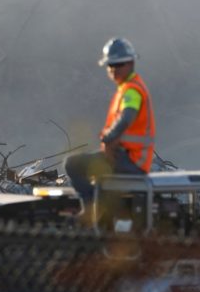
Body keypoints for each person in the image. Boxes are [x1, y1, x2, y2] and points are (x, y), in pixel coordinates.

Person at [64, 37, 156, 212]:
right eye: (110, 66)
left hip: (130, 161)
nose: (113, 70)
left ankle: (93, 208)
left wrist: (108, 139)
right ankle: (99, 207)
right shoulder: (126, 89)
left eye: (119, 65)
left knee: (73, 164)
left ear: (130, 63)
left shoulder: (132, 90)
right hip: (126, 158)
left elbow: (127, 116)